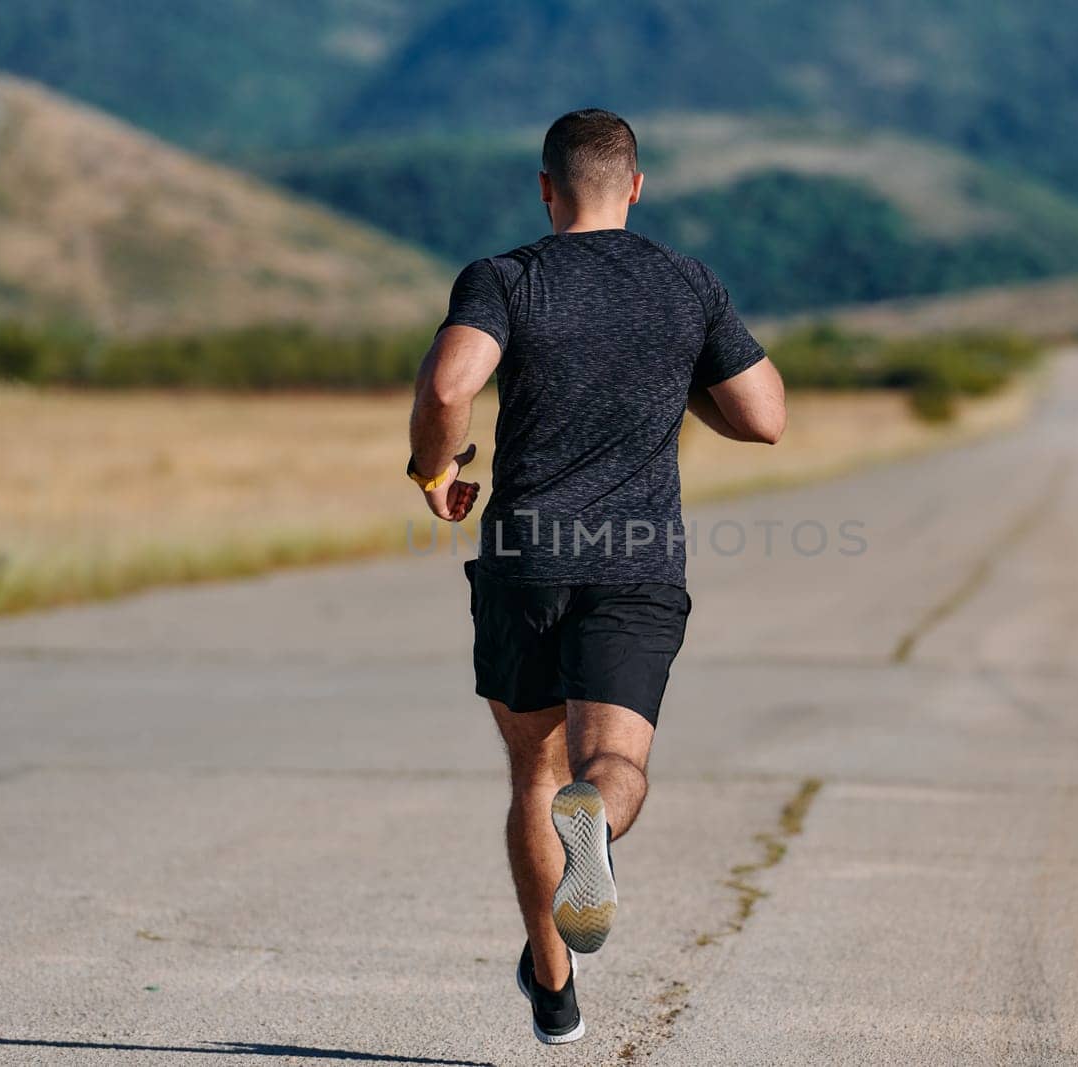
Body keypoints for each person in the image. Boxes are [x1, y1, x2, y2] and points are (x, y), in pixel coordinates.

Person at [406, 108, 786, 1045]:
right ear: (638, 186)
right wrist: (674, 371)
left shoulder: (505, 277)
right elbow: (765, 415)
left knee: (534, 771)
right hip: (637, 565)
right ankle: (601, 831)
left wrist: (434, 472)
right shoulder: (685, 284)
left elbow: (451, 387)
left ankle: (553, 979)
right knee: (611, 764)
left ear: (546, 188)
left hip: (525, 559)